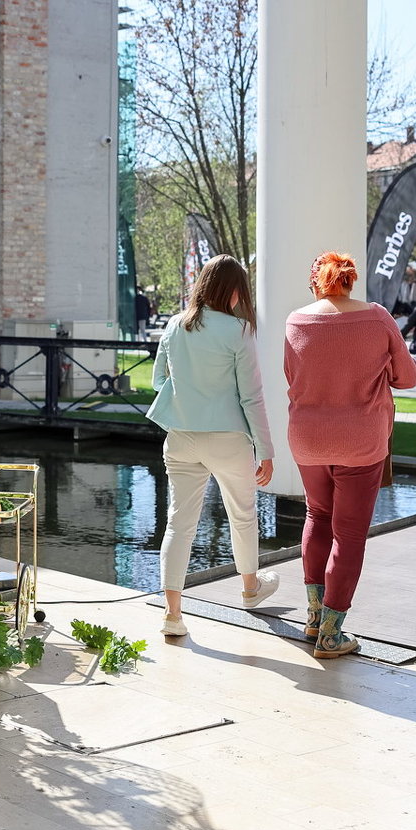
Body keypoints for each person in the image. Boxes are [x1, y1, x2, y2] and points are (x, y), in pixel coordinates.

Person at [284, 251, 416, 659]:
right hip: (360, 441)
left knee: (316, 516)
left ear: (315, 284)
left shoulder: (296, 321)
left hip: (307, 438)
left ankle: (313, 618)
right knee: (349, 534)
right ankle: (331, 634)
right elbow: (408, 377)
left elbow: (292, 376)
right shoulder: (377, 318)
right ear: (350, 280)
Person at [147, 254, 277, 642]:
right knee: (243, 515)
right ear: (233, 291)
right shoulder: (239, 330)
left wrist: (187, 396)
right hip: (228, 439)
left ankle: (173, 614)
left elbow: (158, 381)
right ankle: (250, 589)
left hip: (181, 438)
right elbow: (251, 396)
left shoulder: (175, 325)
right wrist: (266, 449)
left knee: (179, 523)